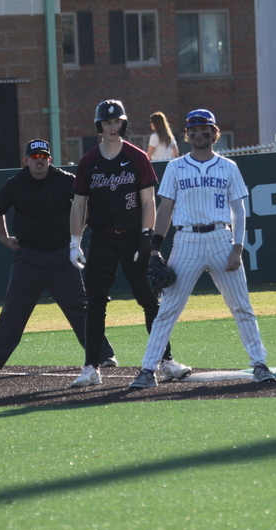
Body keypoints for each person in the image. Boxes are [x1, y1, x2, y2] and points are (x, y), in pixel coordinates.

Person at [128, 109, 276, 390]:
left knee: (241, 306)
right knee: (168, 309)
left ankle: (259, 364)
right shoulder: (176, 167)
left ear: (214, 133)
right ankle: (148, 370)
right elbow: (166, 208)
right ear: (187, 134)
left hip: (221, 237)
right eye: (193, 130)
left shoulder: (228, 167)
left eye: (204, 129)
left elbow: (239, 210)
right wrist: (156, 247)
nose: (198, 134)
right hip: (186, 240)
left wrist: (238, 247)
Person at [69, 100, 191, 387]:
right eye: (107, 123)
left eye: (117, 122)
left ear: (123, 124)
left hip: (134, 237)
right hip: (101, 238)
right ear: (99, 126)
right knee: (95, 302)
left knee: (149, 300)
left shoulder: (137, 157)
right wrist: (74, 242)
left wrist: (147, 236)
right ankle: (91, 367)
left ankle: (166, 361)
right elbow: (78, 206)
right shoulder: (88, 162)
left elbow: (149, 200)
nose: (113, 127)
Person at [0, 139, 115, 375]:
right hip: (28, 258)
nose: (39, 162)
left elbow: (85, 205)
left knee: (80, 308)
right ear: (26, 160)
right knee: (14, 311)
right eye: (35, 157)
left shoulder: (66, 180)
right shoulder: (16, 184)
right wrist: (4, 237)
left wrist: (76, 238)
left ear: (50, 159)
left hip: (61, 256)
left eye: (43, 157)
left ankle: (104, 355)